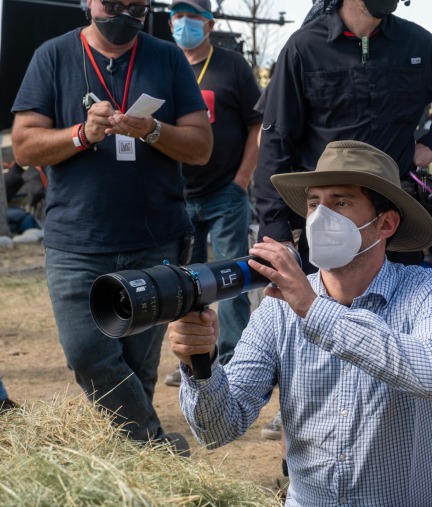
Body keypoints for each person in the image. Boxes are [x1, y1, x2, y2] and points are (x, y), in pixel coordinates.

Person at [168, 140, 432, 506]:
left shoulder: (430, 290)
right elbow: (218, 430)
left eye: (340, 202)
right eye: (314, 204)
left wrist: (313, 308)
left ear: (386, 223)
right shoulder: (279, 309)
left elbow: (431, 373)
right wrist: (201, 362)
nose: (320, 216)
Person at [11, 0, 212, 447]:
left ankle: (135, 476)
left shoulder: (166, 57)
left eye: (136, 6)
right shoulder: (54, 55)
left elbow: (201, 147)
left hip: (155, 239)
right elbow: (23, 146)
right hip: (77, 244)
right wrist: (81, 134)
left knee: (137, 373)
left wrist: (154, 130)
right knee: (88, 354)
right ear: (88, 3)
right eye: (113, 3)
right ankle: (157, 450)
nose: (123, 13)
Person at [254, 0, 432, 271]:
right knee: (322, 309)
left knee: (399, 307)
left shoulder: (416, 43)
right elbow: (275, 142)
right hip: (327, 221)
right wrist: (276, 230)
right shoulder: (304, 48)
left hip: (393, 221)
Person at [163, 0, 263, 387]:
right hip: (178, 197)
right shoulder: (166, 65)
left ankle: (234, 361)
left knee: (232, 281)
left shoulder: (232, 66)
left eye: (191, 17)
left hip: (225, 194)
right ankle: (194, 357)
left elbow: (257, 125)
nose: (182, 24)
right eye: (176, 17)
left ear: (208, 24)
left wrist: (241, 180)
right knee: (185, 286)